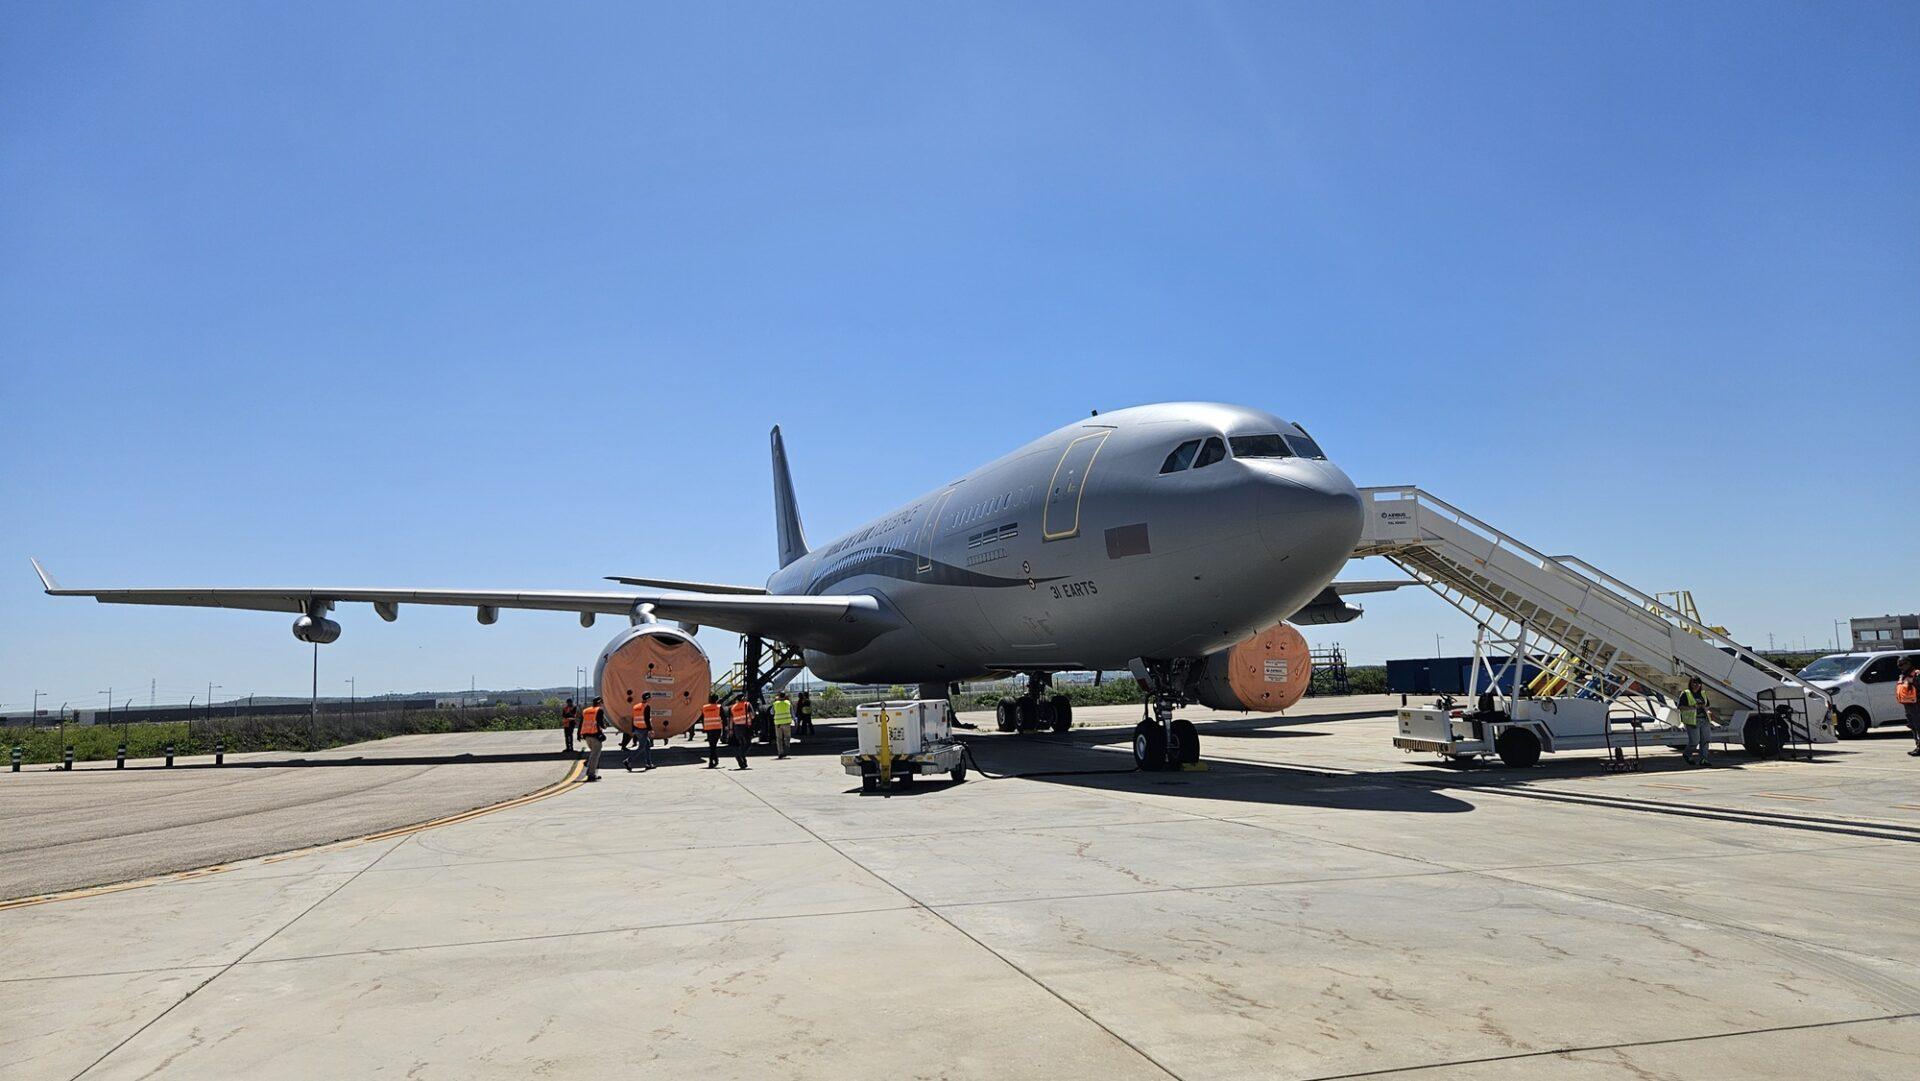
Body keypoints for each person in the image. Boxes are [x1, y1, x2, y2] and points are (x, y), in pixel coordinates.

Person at [1676, 676, 1713, 767]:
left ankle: (1704, 759)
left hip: (1704, 719)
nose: (1697, 685)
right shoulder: (1686, 693)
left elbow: (1708, 706)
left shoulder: (1703, 694)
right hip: (1692, 721)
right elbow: (1680, 707)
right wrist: (1692, 707)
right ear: (1691, 684)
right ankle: (1687, 754)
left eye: (1698, 683)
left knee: (1705, 740)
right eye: (1694, 683)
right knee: (1694, 741)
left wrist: (1704, 707)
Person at [579, 696, 608, 781]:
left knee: (593, 754)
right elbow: (600, 722)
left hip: (586, 736)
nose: (602, 704)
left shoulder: (586, 711)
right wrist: (604, 726)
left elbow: (581, 723)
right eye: (601, 703)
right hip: (595, 735)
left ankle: (589, 768)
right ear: (599, 703)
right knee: (595, 756)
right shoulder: (599, 710)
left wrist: (579, 734)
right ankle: (591, 774)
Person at [626, 690, 655, 771]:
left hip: (637, 729)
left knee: (647, 744)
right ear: (648, 698)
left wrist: (633, 729)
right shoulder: (647, 706)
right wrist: (650, 730)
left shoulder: (635, 706)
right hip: (643, 729)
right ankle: (628, 761)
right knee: (642, 747)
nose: (651, 699)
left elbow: (633, 718)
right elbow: (646, 719)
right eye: (650, 697)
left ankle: (648, 764)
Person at [1898, 656, 1920, 758]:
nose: (1900, 667)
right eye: (1899, 665)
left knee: (1918, 726)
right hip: (1908, 706)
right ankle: (1917, 745)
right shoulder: (1902, 676)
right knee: (1913, 727)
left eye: (1902, 664)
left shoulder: (1916, 674)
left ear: (1908, 663)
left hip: (1917, 705)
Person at [700, 694, 726, 768]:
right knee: (714, 745)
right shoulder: (719, 707)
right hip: (717, 728)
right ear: (716, 699)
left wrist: (704, 727)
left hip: (709, 729)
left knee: (712, 745)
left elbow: (702, 718)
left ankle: (714, 760)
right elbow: (723, 718)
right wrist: (725, 728)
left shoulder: (704, 707)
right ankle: (712, 761)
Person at [728, 695, 753, 770]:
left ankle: (743, 762)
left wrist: (730, 729)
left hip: (737, 728)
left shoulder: (732, 707)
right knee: (748, 744)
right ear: (742, 698)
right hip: (745, 726)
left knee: (742, 744)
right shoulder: (747, 704)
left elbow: (731, 720)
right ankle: (740, 755)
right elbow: (752, 715)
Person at [772, 691, 794, 759]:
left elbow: (772, 712)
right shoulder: (788, 703)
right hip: (787, 723)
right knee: (787, 737)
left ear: (779, 696)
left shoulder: (775, 703)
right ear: (784, 696)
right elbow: (792, 712)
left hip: (778, 724)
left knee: (779, 739)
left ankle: (780, 752)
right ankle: (787, 747)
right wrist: (794, 720)